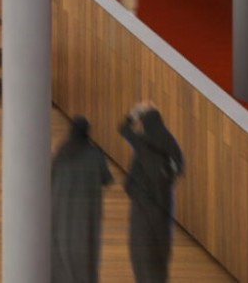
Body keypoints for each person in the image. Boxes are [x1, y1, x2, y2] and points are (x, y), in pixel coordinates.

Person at [118, 102, 183, 283]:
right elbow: (179, 167)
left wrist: (135, 112)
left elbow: (123, 129)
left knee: (140, 248)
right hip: (163, 204)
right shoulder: (169, 140)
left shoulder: (142, 141)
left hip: (142, 203)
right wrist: (164, 174)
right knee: (160, 250)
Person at [49, 114, 111, 283]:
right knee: (85, 251)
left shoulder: (62, 152)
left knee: (60, 246)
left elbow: (50, 177)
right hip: (86, 214)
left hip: (61, 210)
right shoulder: (95, 154)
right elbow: (107, 179)